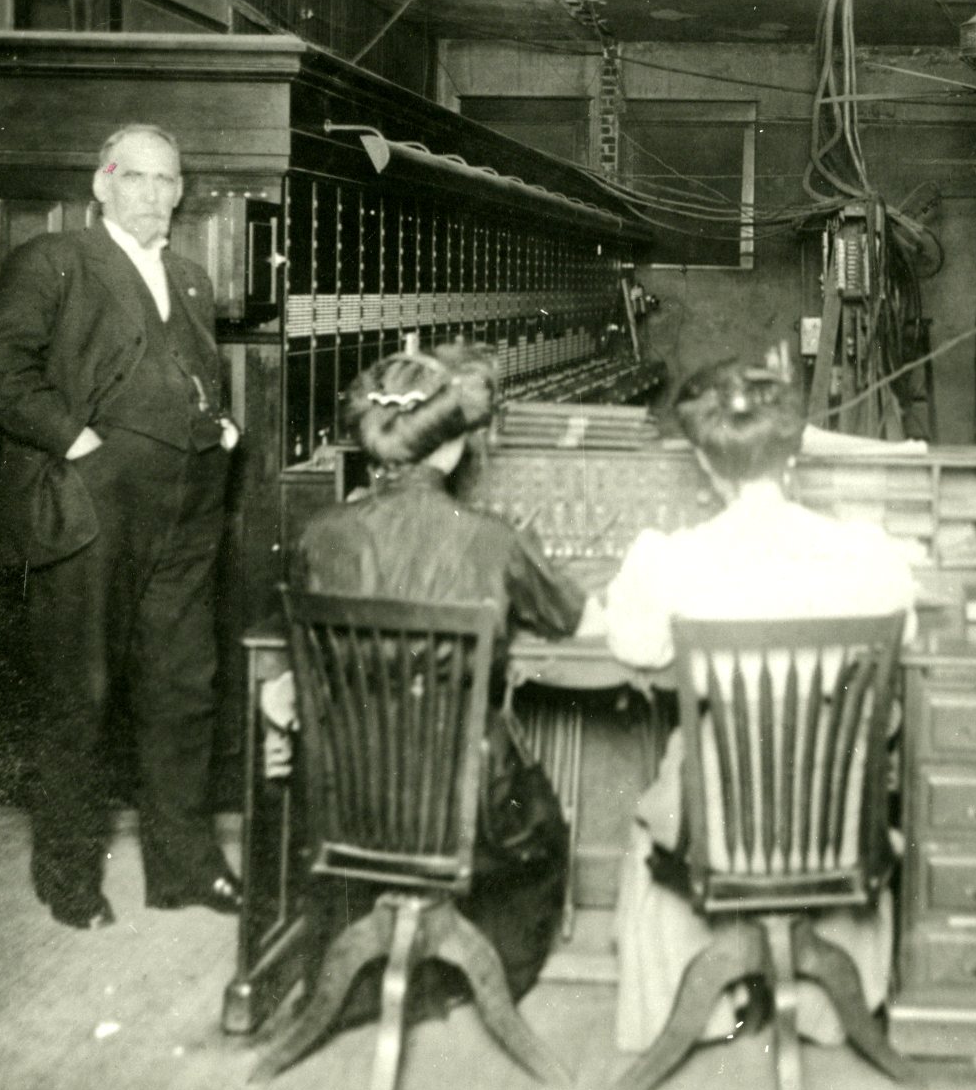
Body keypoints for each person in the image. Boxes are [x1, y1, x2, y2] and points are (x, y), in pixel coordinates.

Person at [0, 123, 242, 931]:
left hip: (186, 504)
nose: (156, 195)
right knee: (79, 694)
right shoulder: (54, 261)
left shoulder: (190, 277)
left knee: (182, 690)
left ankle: (185, 869)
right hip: (94, 505)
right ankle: (68, 876)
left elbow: (194, 375)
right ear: (102, 184)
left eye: (170, 181)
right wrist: (76, 440)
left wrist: (222, 427)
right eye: (139, 178)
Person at [604, 358, 916, 1054]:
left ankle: (703, 1010)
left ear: (705, 464)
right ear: (794, 456)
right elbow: (910, 633)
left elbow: (633, 643)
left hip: (719, 833)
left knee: (664, 788)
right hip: (839, 826)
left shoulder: (672, 560)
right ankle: (824, 1010)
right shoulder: (865, 553)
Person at [287, 343, 581, 1024]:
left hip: (346, 807)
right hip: (471, 817)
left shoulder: (319, 534)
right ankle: (465, 979)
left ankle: (373, 973)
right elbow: (568, 614)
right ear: (452, 448)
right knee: (543, 828)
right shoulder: (490, 538)